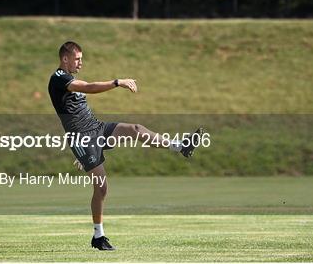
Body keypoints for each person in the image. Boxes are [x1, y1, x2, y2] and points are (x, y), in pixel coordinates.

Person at [48, 41, 203, 251]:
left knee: (136, 129)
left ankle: (181, 147)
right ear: (65, 59)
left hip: (96, 130)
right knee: (101, 188)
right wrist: (117, 82)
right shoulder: (58, 79)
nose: (80, 63)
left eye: (81, 59)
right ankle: (98, 236)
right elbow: (89, 87)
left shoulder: (70, 78)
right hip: (82, 139)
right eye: (77, 59)